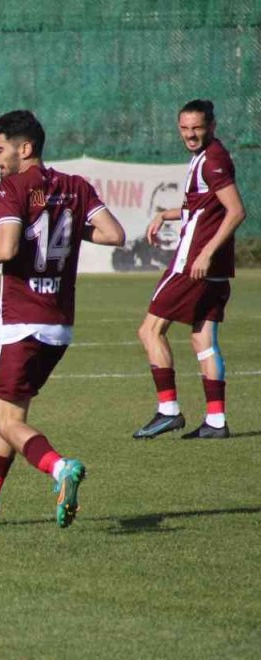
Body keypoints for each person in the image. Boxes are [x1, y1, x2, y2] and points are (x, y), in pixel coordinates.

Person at [0, 110, 125, 528]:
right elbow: (114, 234)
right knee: (10, 416)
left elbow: (6, 249)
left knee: (7, 419)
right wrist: (66, 222)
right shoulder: (76, 186)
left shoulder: (13, 187)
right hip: (59, 326)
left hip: (20, 321)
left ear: (24, 149)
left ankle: (60, 468)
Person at [133, 99, 247, 440]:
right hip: (214, 268)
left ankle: (168, 411)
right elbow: (201, 207)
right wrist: (166, 215)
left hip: (193, 263)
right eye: (184, 128)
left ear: (211, 126)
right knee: (203, 339)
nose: (190, 134)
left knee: (149, 331)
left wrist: (205, 253)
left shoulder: (212, 161)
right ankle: (215, 421)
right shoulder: (206, 157)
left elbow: (236, 211)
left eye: (196, 127)